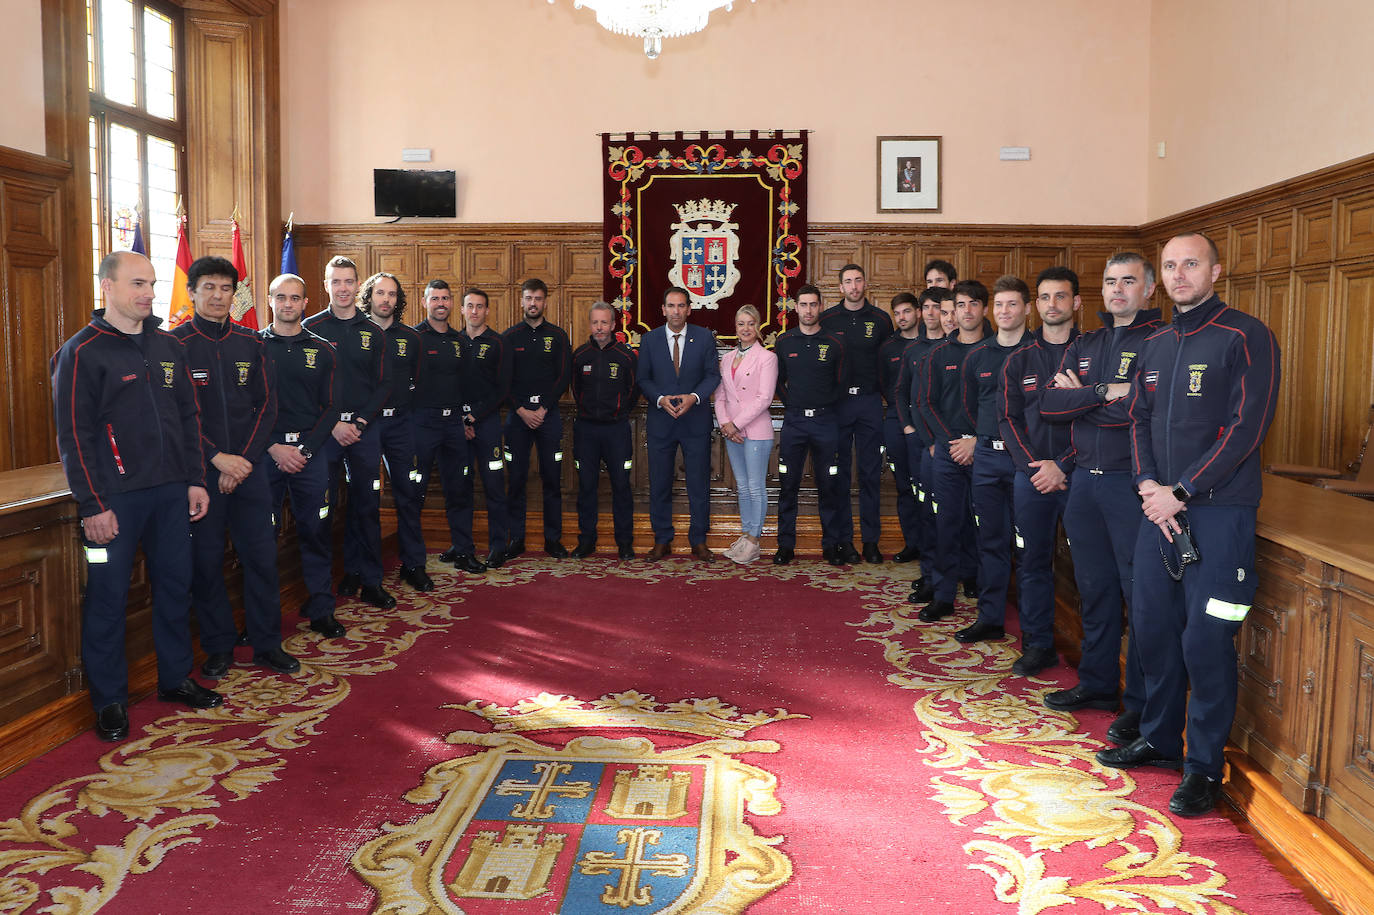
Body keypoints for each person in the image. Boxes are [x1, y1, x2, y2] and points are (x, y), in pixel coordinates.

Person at [1097, 232, 1280, 818]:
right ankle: (1158, 738)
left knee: (1205, 640)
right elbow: (1139, 422)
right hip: (1158, 512)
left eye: (1190, 265)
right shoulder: (1156, 344)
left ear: (1216, 271)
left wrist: (1182, 490)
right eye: (1170, 266)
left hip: (1218, 513)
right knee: (1152, 628)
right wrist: (1150, 486)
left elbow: (1245, 429)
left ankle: (1203, 766)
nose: (1179, 275)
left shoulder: (1245, 336)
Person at [52, 251, 223, 741]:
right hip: (114, 501)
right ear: (107, 286)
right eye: (137, 284)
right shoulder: (82, 352)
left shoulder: (170, 347)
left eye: (152, 283)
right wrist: (92, 504)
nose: (148, 293)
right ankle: (108, 700)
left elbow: (189, 419)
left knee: (176, 587)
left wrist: (195, 478)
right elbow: (73, 436)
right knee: (108, 599)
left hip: (172, 493)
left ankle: (174, 678)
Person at [1039, 254, 1163, 742]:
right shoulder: (1086, 342)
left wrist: (1085, 399)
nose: (1118, 289)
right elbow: (1051, 404)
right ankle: (1097, 684)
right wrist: (1104, 392)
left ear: (1149, 289)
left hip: (1131, 484)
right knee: (1094, 590)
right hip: (1083, 484)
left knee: (1141, 599)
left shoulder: (1160, 342)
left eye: (1128, 281)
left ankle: (1140, 704)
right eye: (1110, 280)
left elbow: (1143, 410)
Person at [174, 256, 299, 678]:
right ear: (191, 292)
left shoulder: (252, 343)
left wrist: (241, 460)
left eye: (225, 289)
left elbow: (267, 407)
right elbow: (177, 414)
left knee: (262, 558)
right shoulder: (174, 346)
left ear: (235, 294)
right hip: (200, 477)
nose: (217, 296)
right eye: (208, 287)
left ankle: (267, 643)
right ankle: (219, 646)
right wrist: (216, 458)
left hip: (251, 470)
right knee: (205, 563)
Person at [996, 267, 1080, 676]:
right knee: (1032, 563)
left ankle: (1096, 657)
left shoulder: (1092, 354)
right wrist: (1036, 466)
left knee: (1089, 568)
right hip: (1031, 477)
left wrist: (1062, 465)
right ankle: (1038, 645)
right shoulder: (1019, 360)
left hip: (1081, 474)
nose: (1052, 305)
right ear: (1036, 306)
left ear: (1076, 303)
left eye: (1060, 297)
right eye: (1045, 297)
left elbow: (1100, 417)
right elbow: (1008, 419)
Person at [302, 256, 394, 609]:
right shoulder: (310, 327)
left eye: (349, 281)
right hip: (323, 434)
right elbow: (303, 387)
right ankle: (321, 590)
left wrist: (358, 423)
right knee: (321, 510)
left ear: (359, 287)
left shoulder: (373, 332)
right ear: (326, 285)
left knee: (367, 506)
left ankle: (369, 579)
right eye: (336, 281)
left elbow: (384, 384)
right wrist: (334, 424)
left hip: (363, 432)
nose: (343, 288)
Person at [261, 274, 346, 639]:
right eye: (281, 297)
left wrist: (306, 450)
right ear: (270, 300)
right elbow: (246, 407)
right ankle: (261, 620)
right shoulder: (254, 347)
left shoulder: (324, 349)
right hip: (265, 453)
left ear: (305, 303)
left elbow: (333, 408)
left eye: (295, 298)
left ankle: (322, 608)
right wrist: (273, 447)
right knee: (262, 538)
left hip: (311, 454)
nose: (288, 304)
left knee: (316, 531)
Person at [956, 275, 1035, 644]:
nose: (1005, 311)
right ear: (993, 310)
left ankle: (1035, 631)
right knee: (989, 540)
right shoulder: (978, 356)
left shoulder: (1039, 352)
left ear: (1026, 309)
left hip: (1027, 462)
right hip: (987, 458)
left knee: (1029, 545)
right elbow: (972, 407)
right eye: (1000, 305)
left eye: (1013, 304)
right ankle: (989, 618)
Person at [916, 279, 990, 621]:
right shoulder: (938, 354)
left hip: (988, 450)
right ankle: (944, 595)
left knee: (986, 525)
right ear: (955, 311)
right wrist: (952, 443)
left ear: (984, 309)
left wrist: (977, 441)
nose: (968, 310)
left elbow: (1003, 405)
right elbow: (926, 403)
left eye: (974, 304)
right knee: (946, 523)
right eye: (961, 305)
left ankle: (983, 592)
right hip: (948, 451)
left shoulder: (996, 351)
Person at [637, 286, 722, 562]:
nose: (676, 311)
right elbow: (643, 379)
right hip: (662, 422)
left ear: (689, 309)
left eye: (681, 306)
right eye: (671, 306)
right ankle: (662, 540)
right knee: (659, 483)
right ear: (663, 309)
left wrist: (694, 397)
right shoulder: (649, 340)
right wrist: (660, 399)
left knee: (699, 483)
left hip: (694, 421)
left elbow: (712, 376)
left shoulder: (704, 337)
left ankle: (698, 540)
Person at [361, 272, 430, 591]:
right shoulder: (358, 334)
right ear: (369, 297)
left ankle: (414, 564)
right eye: (380, 293)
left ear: (398, 300)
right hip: (367, 426)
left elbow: (416, 381)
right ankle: (365, 570)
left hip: (402, 424)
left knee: (409, 495)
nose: (386, 299)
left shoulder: (412, 338)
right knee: (366, 499)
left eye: (391, 294)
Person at [820, 263, 894, 563]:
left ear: (865, 284)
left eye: (858, 280)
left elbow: (889, 362)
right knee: (838, 476)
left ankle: (871, 542)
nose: (853, 286)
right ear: (840, 287)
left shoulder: (880, 319)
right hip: (838, 405)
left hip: (869, 403)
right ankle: (843, 541)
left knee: (870, 475)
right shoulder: (827, 319)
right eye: (847, 282)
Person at [772, 285, 847, 564]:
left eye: (813, 304)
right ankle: (785, 545)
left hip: (826, 422)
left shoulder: (836, 343)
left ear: (820, 306)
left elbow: (841, 380)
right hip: (794, 422)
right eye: (803, 305)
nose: (808, 310)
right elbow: (777, 380)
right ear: (795, 308)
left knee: (829, 484)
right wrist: (793, 403)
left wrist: (824, 403)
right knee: (788, 484)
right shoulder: (785, 342)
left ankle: (831, 544)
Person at [414, 280, 485, 575]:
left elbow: (467, 384)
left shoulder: (459, 341)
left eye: (445, 298)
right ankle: (414, 561)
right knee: (413, 492)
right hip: (422, 424)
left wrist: (466, 419)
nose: (440, 303)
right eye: (435, 298)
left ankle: (464, 551)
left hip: (453, 424)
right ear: (425, 302)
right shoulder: (414, 337)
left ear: (452, 303)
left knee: (459, 490)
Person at [503, 278, 572, 559]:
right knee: (516, 479)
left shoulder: (557, 336)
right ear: (521, 301)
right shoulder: (509, 337)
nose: (533, 303)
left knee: (552, 479)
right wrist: (521, 410)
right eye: (529, 298)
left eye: (538, 299)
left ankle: (552, 539)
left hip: (548, 417)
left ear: (545, 302)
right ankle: (516, 538)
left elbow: (564, 376)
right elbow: (502, 381)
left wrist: (543, 408)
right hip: (517, 418)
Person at [570, 301, 639, 559]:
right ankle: (586, 541)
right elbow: (576, 389)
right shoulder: (580, 355)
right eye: (595, 322)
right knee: (586, 487)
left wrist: (618, 411)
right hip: (586, 430)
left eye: (604, 323)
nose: (600, 328)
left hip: (616, 430)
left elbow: (634, 390)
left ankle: (625, 543)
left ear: (613, 325)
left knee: (621, 486)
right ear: (591, 324)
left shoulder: (625, 356)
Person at [713, 304, 778, 564]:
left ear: (758, 326)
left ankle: (753, 540)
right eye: (741, 324)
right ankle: (746, 534)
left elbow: (764, 398)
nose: (746, 328)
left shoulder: (767, 358)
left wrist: (736, 424)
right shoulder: (727, 359)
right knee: (742, 487)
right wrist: (726, 424)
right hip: (732, 432)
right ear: (735, 327)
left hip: (756, 431)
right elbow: (719, 397)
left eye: (751, 323)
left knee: (755, 487)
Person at [898, 287, 951, 602]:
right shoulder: (916, 350)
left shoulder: (962, 349)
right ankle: (930, 575)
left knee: (954, 515)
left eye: (941, 309)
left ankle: (961, 574)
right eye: (930, 308)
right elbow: (908, 395)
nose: (935, 315)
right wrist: (911, 430)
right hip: (924, 440)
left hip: (956, 444)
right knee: (928, 510)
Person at [459, 287, 513, 567]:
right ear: (463, 310)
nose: (475, 311)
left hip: (488, 423)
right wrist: (462, 419)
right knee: (461, 487)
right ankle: (463, 547)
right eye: (470, 306)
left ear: (487, 311)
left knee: (494, 486)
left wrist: (474, 417)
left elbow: (503, 389)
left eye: (480, 306)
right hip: (457, 427)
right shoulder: (454, 342)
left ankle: (497, 546)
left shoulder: (498, 343)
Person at [878, 293, 922, 563]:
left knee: (927, 487)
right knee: (904, 486)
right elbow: (884, 384)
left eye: (907, 311)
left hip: (926, 423)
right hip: (895, 421)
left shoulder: (932, 342)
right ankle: (912, 542)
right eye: (898, 313)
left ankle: (932, 543)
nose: (902, 317)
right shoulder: (888, 347)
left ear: (917, 312)